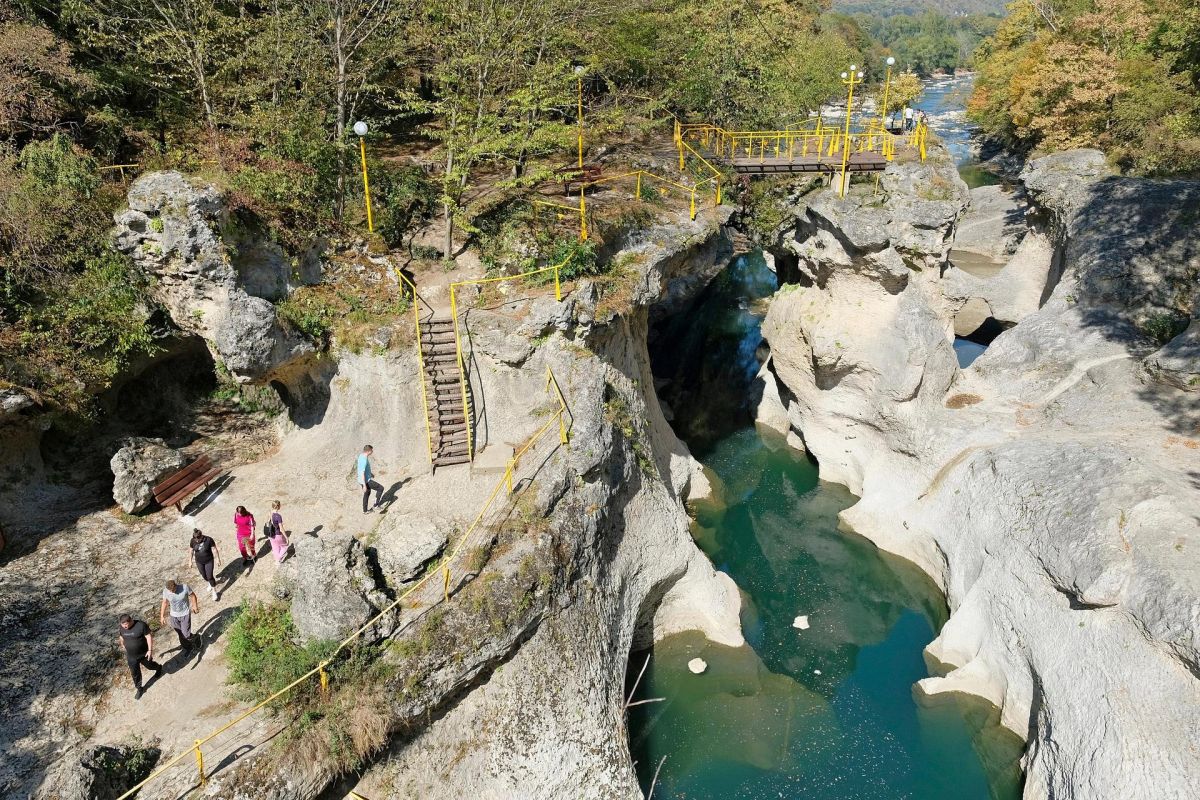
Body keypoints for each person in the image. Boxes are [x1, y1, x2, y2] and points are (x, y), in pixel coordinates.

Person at [118, 614, 161, 700]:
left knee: (150, 666)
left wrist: (150, 651)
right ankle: (139, 688)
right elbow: (121, 636)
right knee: (135, 673)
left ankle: (158, 668)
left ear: (131, 621)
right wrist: (122, 644)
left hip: (143, 654)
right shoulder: (122, 627)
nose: (125, 627)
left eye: (126, 625)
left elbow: (148, 636)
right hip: (131, 656)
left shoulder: (141, 625)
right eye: (123, 625)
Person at [160, 579, 199, 651]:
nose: (172, 592)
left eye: (173, 590)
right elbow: (164, 602)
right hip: (173, 616)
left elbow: (193, 596)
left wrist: (195, 606)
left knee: (185, 634)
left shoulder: (185, 587)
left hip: (185, 613)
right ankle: (187, 647)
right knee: (180, 633)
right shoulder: (166, 591)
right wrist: (162, 616)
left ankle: (195, 637)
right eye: (170, 591)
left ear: (176, 586)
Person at [189, 528, 222, 600]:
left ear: (201, 536)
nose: (197, 540)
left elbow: (214, 549)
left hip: (209, 561)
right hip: (199, 561)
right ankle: (210, 583)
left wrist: (218, 559)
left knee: (209, 576)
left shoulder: (208, 540)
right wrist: (190, 561)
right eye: (195, 539)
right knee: (203, 575)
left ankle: (214, 591)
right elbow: (191, 550)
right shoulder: (192, 541)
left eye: (198, 538)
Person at [357, 445, 383, 513]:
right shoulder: (364, 460)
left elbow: (362, 468)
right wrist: (364, 485)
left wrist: (370, 473)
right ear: (368, 451)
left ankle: (365, 511)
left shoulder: (361, 455)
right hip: (366, 481)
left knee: (367, 493)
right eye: (371, 450)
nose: (372, 451)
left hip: (361, 479)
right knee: (380, 488)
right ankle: (376, 505)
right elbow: (361, 472)